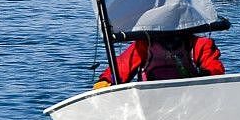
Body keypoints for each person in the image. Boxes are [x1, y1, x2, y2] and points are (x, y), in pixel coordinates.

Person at [96, 32, 225, 85]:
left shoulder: (200, 43)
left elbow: (215, 69)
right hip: (152, 99)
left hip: (189, 97)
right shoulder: (144, 45)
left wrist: (206, 75)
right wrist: (107, 80)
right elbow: (121, 68)